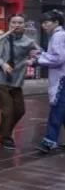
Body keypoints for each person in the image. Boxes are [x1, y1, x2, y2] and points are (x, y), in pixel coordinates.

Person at [0, 14, 39, 149]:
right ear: (9, 25)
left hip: (16, 81)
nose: (17, 25)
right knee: (7, 111)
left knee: (20, 110)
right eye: (14, 22)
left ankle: (0, 130)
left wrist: (33, 59)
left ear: (24, 25)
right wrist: (2, 64)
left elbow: (40, 53)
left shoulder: (29, 42)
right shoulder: (0, 38)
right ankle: (6, 138)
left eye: (20, 23)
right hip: (0, 80)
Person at [34, 10, 65, 154]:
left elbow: (58, 58)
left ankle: (49, 141)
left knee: (56, 111)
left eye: (47, 22)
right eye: (43, 23)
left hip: (61, 79)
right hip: (61, 78)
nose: (44, 26)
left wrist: (37, 60)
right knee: (61, 111)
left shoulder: (58, 36)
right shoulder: (58, 35)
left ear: (56, 22)